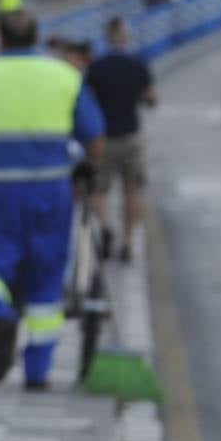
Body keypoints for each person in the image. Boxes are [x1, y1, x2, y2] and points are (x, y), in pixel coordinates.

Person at [0, 10, 105, 389]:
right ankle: (37, 372)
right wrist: (87, 166)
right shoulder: (65, 76)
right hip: (50, 191)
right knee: (46, 275)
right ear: (38, 36)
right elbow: (94, 138)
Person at [85, 17, 157, 262]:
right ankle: (127, 242)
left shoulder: (96, 68)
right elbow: (151, 99)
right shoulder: (138, 66)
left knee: (99, 190)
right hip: (131, 136)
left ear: (106, 38)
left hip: (103, 138)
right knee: (132, 192)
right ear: (125, 37)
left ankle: (105, 226)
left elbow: (88, 101)